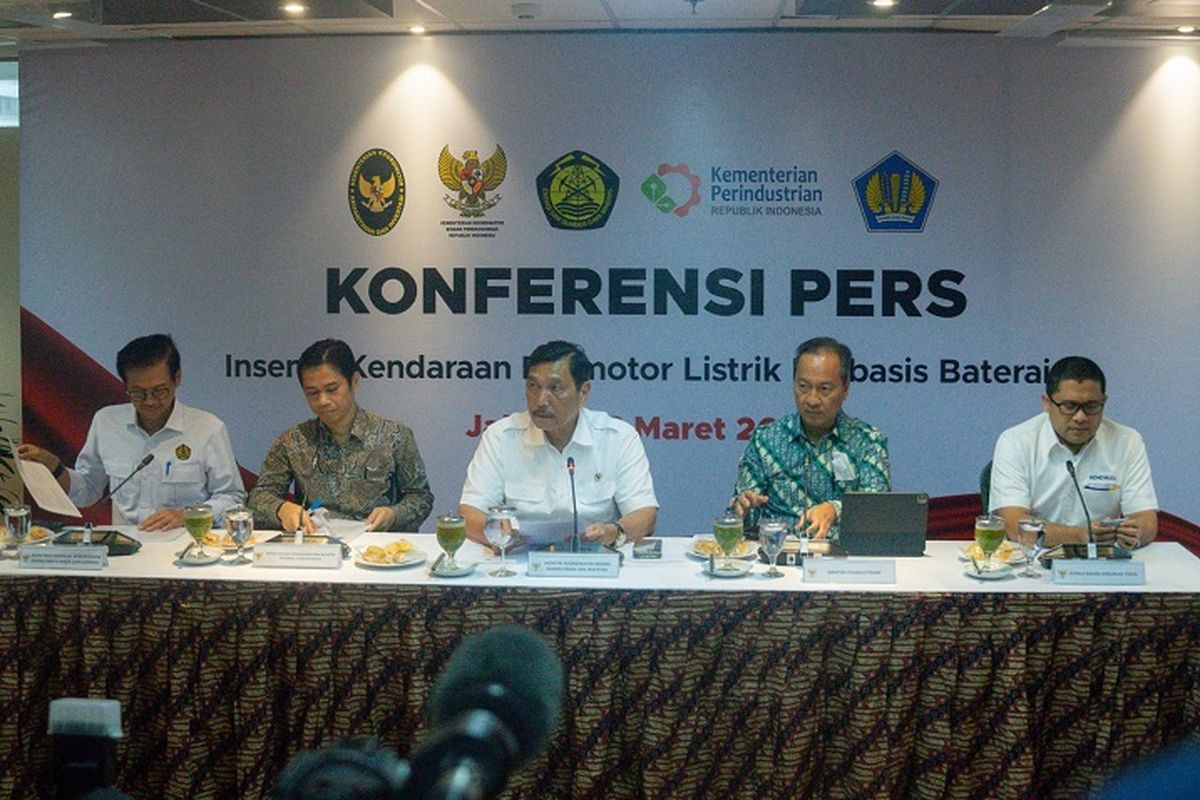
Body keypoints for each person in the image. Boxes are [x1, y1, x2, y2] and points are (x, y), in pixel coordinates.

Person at [18, 334, 245, 529]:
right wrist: (54, 466)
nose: (149, 402)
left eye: (160, 391)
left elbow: (232, 499)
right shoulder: (106, 421)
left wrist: (189, 514)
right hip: (125, 550)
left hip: (188, 546)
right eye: (138, 393)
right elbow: (87, 491)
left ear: (177, 379)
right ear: (125, 386)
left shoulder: (208, 428)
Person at [458, 340, 658, 548]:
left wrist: (613, 532)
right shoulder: (501, 436)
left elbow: (644, 514)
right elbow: (470, 512)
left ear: (583, 392)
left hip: (594, 563)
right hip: (519, 562)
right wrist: (498, 534)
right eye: (533, 386)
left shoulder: (618, 437)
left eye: (555, 388)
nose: (540, 401)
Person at [247, 338, 433, 533]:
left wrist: (394, 514)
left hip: (376, 548)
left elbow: (421, 498)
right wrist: (281, 509)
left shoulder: (394, 435)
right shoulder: (293, 441)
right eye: (312, 393)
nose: (323, 401)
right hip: (316, 547)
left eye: (332, 389)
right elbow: (258, 497)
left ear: (354, 381)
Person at [989, 356, 1157, 550]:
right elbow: (1013, 523)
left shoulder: (1127, 441)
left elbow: (1147, 521)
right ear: (1046, 403)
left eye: (1091, 406)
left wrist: (1135, 533)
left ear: (1104, 402)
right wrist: (1082, 536)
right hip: (1032, 561)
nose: (1080, 417)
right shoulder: (1016, 441)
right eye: (1069, 406)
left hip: (1102, 563)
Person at [730, 336, 891, 540]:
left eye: (825, 389)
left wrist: (835, 509)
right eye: (803, 387)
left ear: (846, 390)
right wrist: (743, 508)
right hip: (779, 555)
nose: (812, 400)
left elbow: (879, 509)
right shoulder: (766, 440)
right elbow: (744, 521)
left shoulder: (868, 441)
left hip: (844, 558)